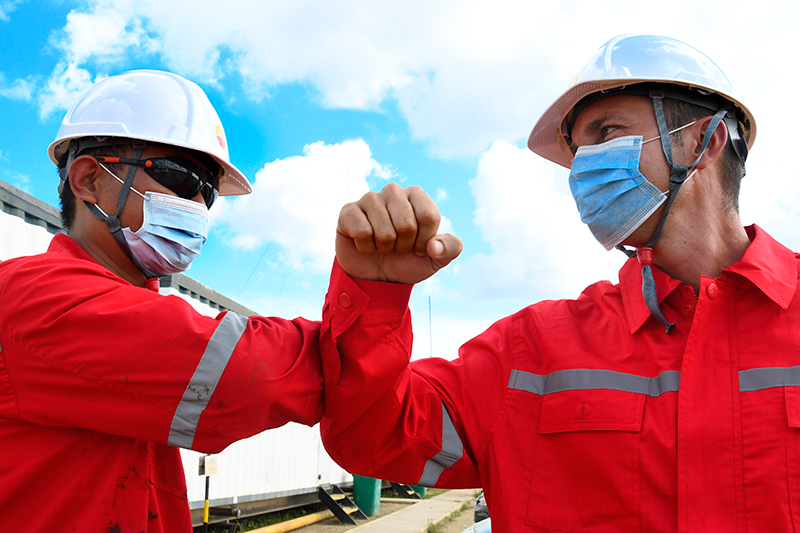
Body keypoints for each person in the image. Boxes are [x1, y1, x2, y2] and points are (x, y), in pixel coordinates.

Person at [320, 34, 799, 532]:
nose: (583, 169)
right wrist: (376, 293)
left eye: (607, 132)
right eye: (578, 153)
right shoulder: (531, 351)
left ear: (706, 141)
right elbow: (372, 434)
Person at [0, 70, 328, 532]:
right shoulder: (36, 297)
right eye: (181, 176)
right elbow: (251, 377)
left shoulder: (136, 311)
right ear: (89, 179)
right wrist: (371, 294)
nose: (197, 204)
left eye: (208, 192)